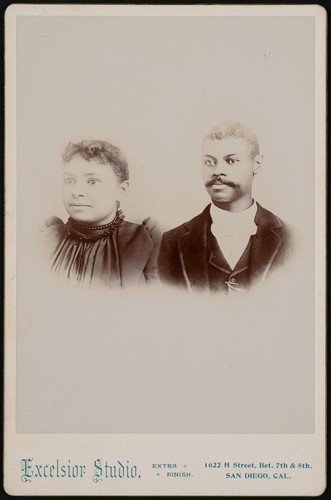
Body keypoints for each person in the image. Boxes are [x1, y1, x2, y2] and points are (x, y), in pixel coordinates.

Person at [158, 121, 294, 294]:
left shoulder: (292, 240)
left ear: (257, 164)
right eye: (209, 162)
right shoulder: (172, 242)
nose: (217, 171)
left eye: (231, 161)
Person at [43, 140, 160, 288]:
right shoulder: (47, 238)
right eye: (70, 180)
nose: (76, 191)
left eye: (92, 181)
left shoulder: (143, 242)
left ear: (121, 191)